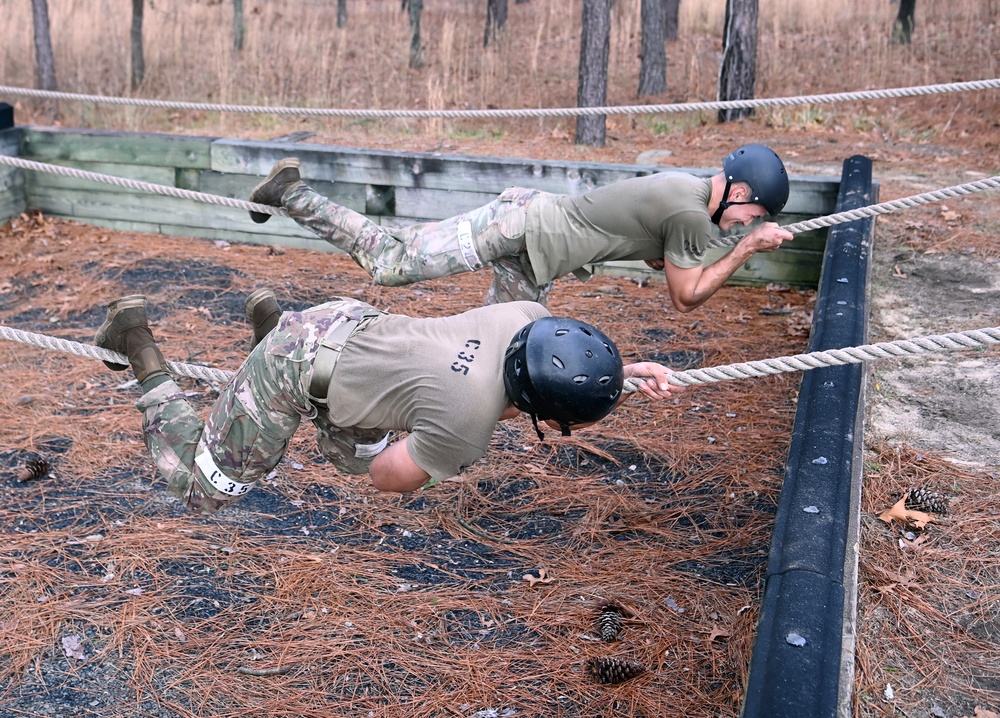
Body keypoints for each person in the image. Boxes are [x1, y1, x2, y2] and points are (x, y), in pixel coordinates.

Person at [94, 290, 683, 516]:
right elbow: (385, 478)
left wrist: (618, 374)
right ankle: (137, 342)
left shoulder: (530, 319)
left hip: (347, 320)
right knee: (202, 489)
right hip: (295, 364)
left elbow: (549, 369)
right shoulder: (465, 426)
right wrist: (443, 463)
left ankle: (277, 321)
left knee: (350, 448)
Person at [247, 144, 793, 311]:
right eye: (755, 214)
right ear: (741, 194)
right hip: (520, 229)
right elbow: (686, 296)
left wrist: (734, 239)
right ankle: (292, 193)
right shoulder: (691, 213)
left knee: (494, 347)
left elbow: (655, 249)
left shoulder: (691, 196)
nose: (751, 223)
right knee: (392, 263)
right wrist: (746, 247)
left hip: (537, 253)